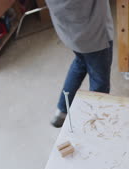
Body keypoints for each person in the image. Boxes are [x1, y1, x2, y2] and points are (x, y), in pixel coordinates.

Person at [45, 0, 114, 128]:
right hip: (94, 36)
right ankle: (95, 122)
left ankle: (62, 110)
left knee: (81, 62)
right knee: (100, 82)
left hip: (70, 33)